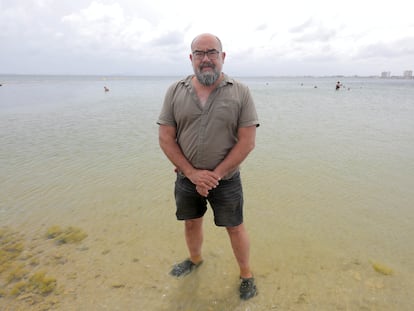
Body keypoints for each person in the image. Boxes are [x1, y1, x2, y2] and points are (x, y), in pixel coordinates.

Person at [157, 33, 259, 300]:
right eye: (199, 54)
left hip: (226, 179)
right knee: (191, 223)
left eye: (211, 52)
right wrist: (191, 173)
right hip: (186, 178)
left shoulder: (240, 92)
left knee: (235, 226)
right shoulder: (175, 91)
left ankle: (246, 275)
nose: (206, 59)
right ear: (191, 59)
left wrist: (216, 174)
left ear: (222, 57)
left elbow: (247, 142)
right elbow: (166, 138)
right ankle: (195, 260)